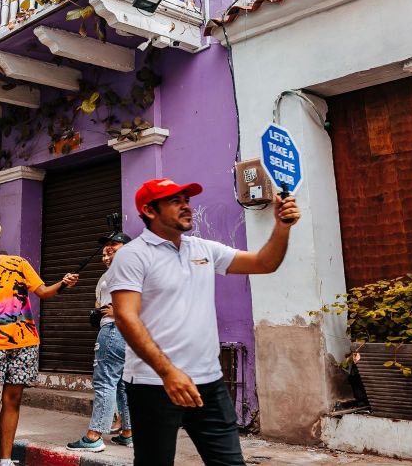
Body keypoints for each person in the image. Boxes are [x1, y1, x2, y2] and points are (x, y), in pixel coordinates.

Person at [108, 178, 300, 466]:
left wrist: (282, 227)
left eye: (186, 199)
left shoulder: (203, 248)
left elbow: (263, 263)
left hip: (209, 382)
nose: (186, 206)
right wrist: (168, 373)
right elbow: (125, 315)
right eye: (175, 201)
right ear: (150, 210)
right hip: (154, 385)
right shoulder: (133, 256)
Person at [0, 222, 79, 466]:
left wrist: (63, 283)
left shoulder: (18, 264)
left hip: (24, 343)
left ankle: (4, 459)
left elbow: (43, 292)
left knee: (12, 401)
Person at [67, 232, 134, 452]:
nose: (108, 248)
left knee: (104, 382)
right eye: (106, 245)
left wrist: (120, 312)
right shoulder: (118, 272)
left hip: (115, 330)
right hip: (125, 332)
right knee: (122, 385)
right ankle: (128, 432)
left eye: (114, 244)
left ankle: (94, 436)